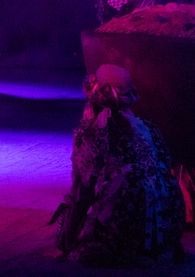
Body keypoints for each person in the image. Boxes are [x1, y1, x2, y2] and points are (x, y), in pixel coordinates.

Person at [52, 65, 185, 266]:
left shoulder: (93, 132)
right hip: (169, 224)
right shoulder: (145, 126)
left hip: (129, 214)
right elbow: (166, 163)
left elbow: (83, 190)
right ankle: (157, 244)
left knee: (91, 247)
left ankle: (131, 246)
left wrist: (68, 237)